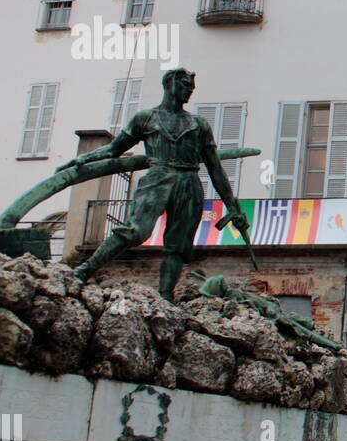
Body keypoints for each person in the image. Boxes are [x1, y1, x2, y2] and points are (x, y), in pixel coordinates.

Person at [57, 68, 247, 301]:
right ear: (170, 84)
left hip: (189, 183)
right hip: (158, 176)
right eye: (186, 85)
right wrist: (84, 158)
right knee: (136, 230)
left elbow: (215, 168)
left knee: (178, 245)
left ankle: (166, 296)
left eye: (192, 87)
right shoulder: (146, 118)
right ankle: (85, 269)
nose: (190, 90)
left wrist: (232, 205)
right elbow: (114, 149)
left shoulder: (199, 125)